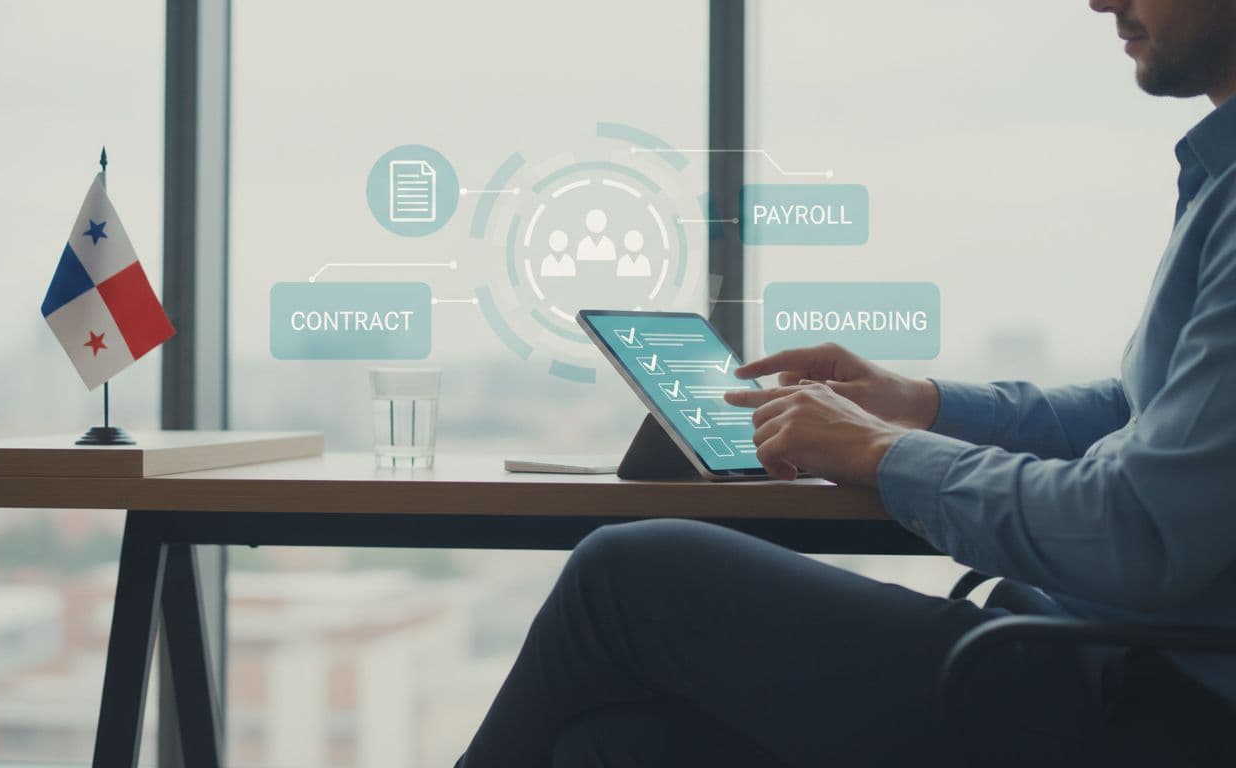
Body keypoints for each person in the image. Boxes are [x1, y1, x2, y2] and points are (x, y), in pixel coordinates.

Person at [455, 1, 1236, 766]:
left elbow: (1139, 529)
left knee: (623, 575)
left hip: (1152, 697)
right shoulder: (1216, 177)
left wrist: (884, 452)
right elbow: (1132, 415)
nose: (1100, 0)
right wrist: (921, 405)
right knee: (605, 747)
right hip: (1088, 649)